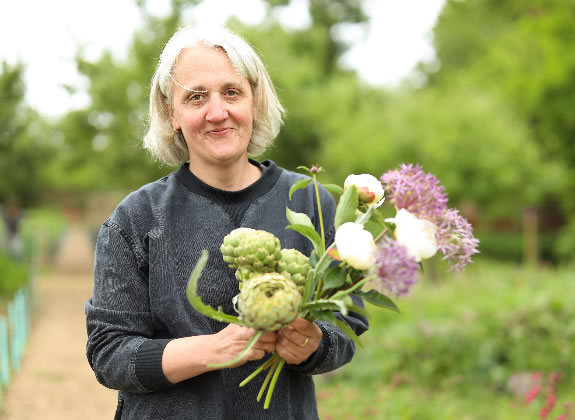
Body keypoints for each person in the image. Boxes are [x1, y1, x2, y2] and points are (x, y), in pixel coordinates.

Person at [85, 24, 368, 420]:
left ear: (254, 99)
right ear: (173, 115)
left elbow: (349, 324)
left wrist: (315, 344)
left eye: (232, 92)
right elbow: (108, 354)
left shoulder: (311, 201)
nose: (217, 112)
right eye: (196, 97)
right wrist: (211, 351)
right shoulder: (135, 219)